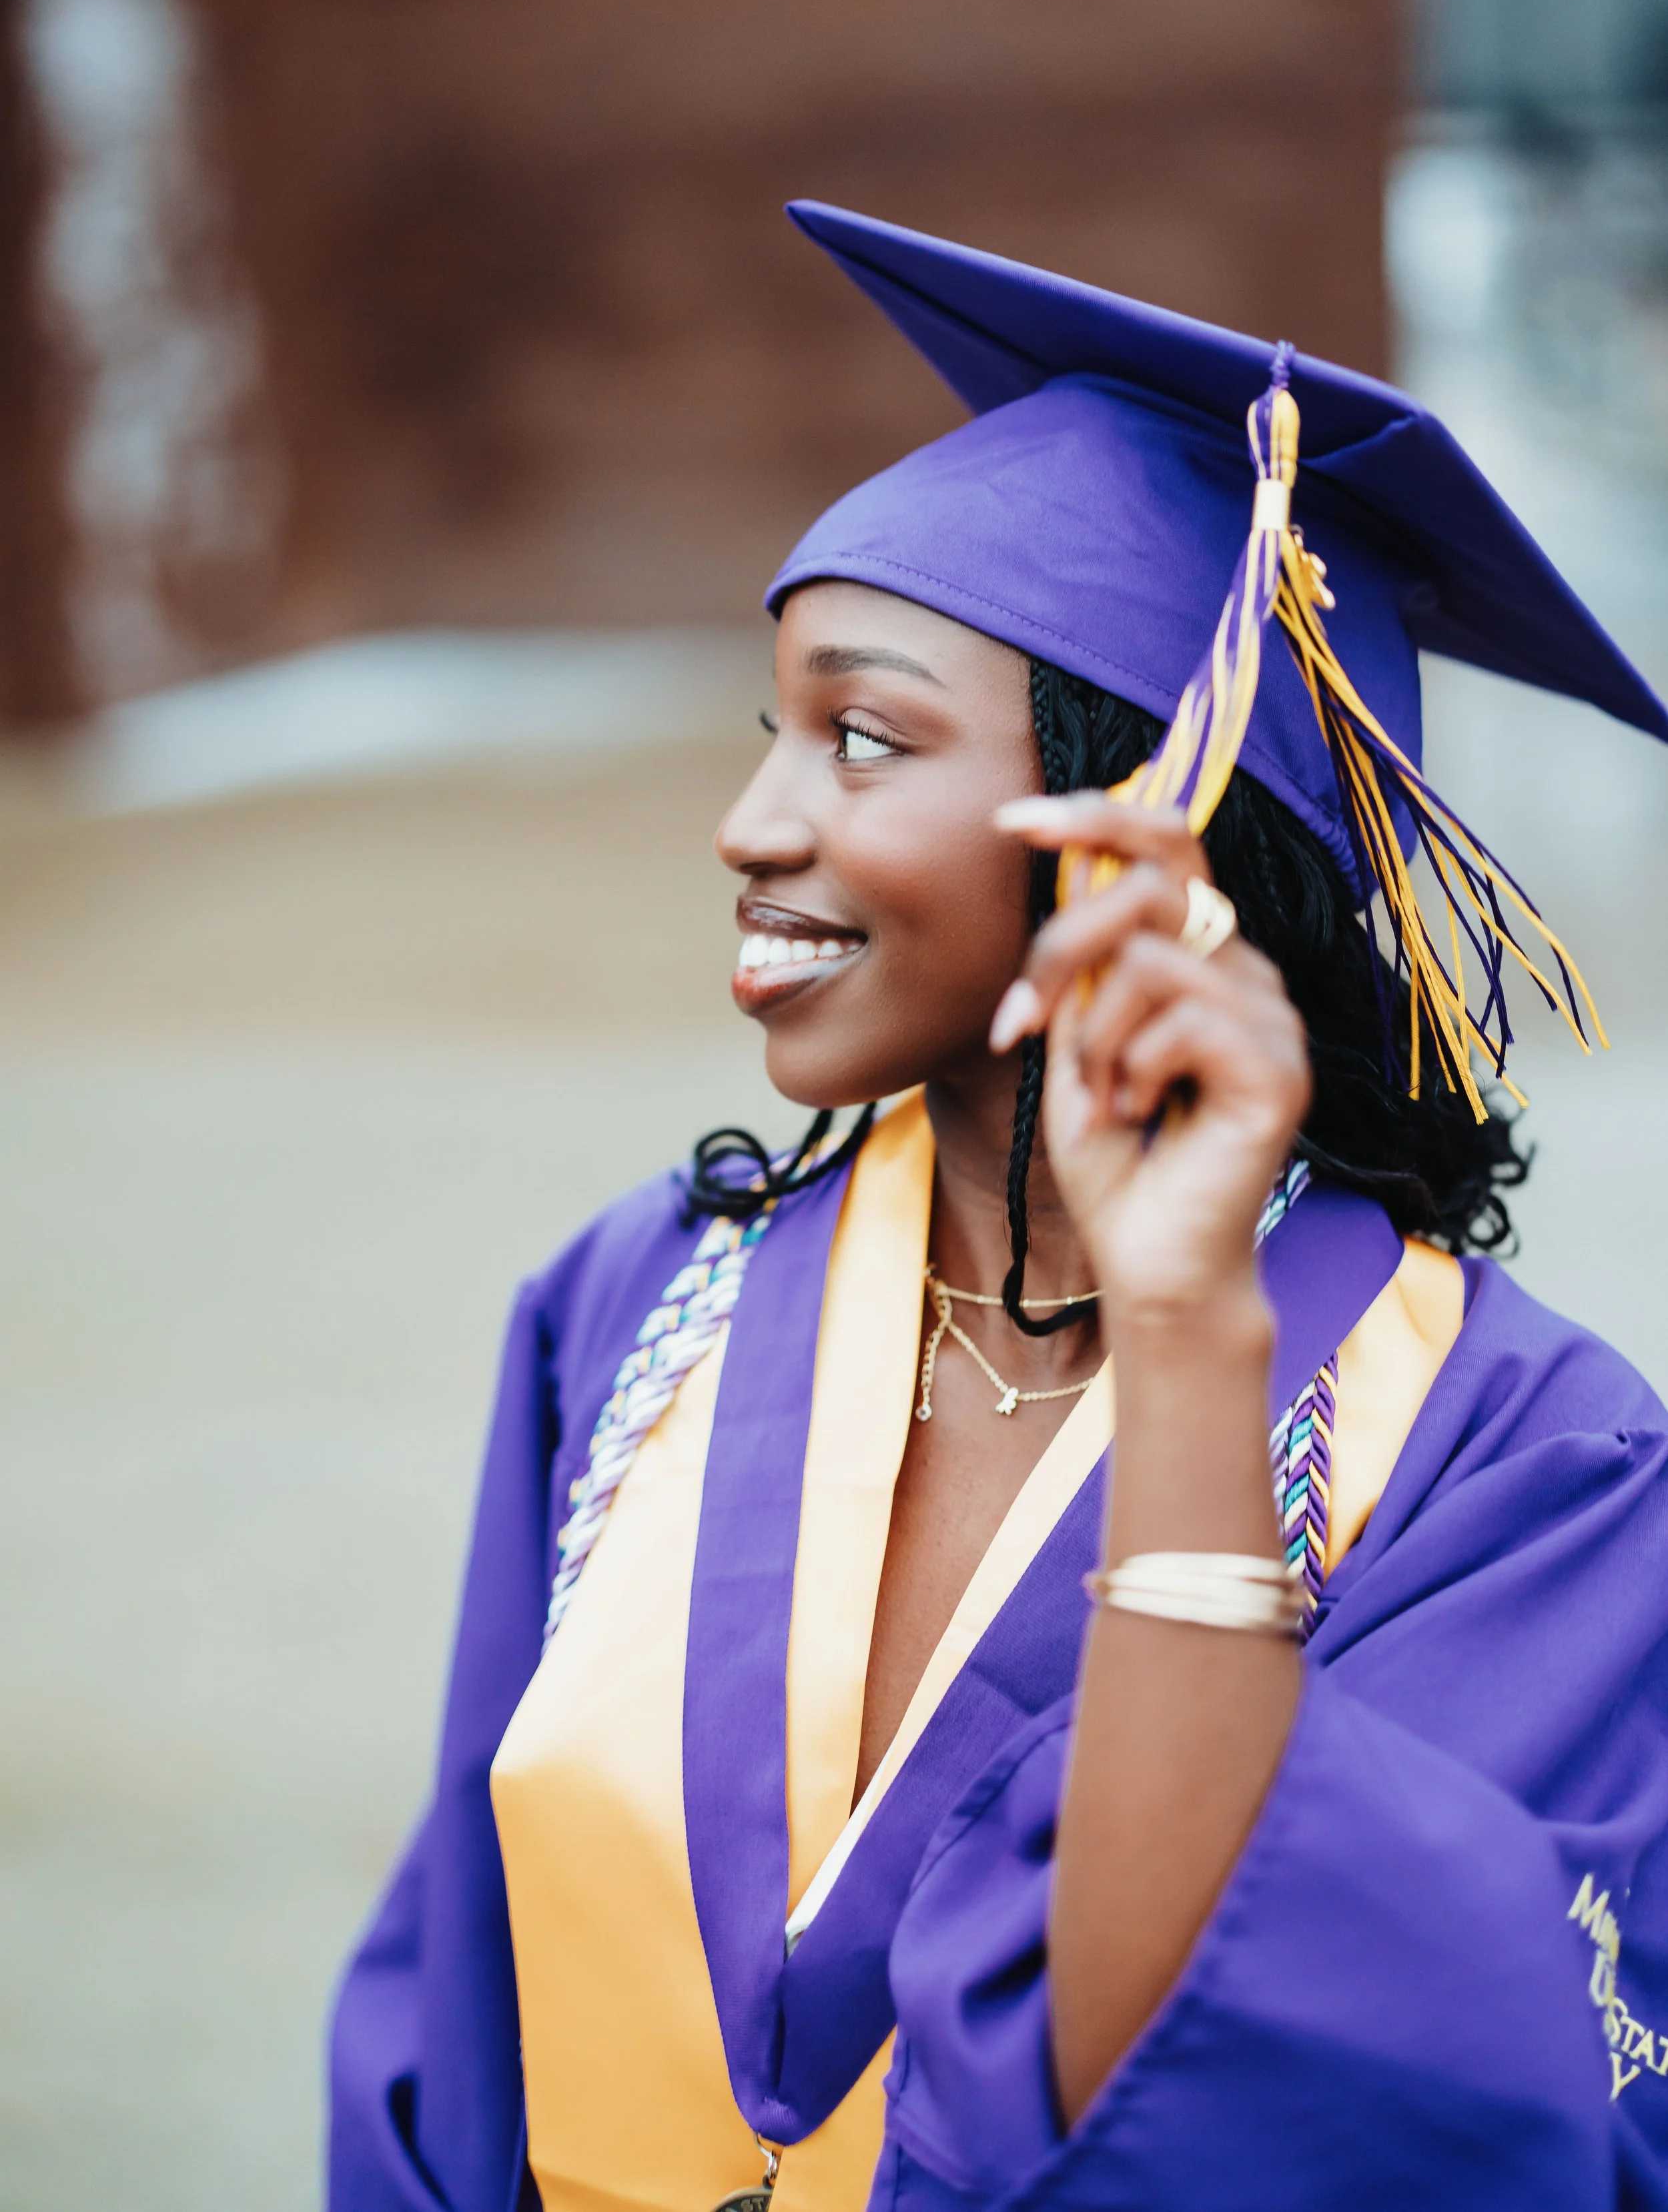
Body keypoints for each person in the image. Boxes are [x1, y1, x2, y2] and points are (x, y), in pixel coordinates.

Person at [329, 204, 1668, 2212]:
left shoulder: (1531, 1473)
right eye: (769, 725)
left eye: (862, 737)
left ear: (1137, 812)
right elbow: (451, 1996)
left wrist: (1197, 1347)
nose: (752, 819)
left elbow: (1349, 2111)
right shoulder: (634, 1308)